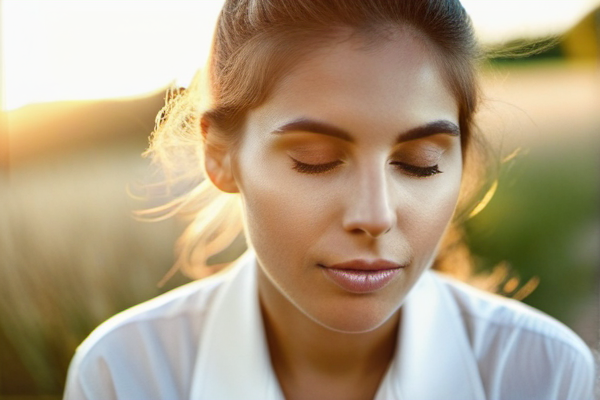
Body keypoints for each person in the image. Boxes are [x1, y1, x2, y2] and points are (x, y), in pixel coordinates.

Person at [63, 1, 596, 399]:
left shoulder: (544, 376)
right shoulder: (125, 373)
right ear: (220, 154)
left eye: (420, 163)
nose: (375, 215)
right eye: (315, 159)